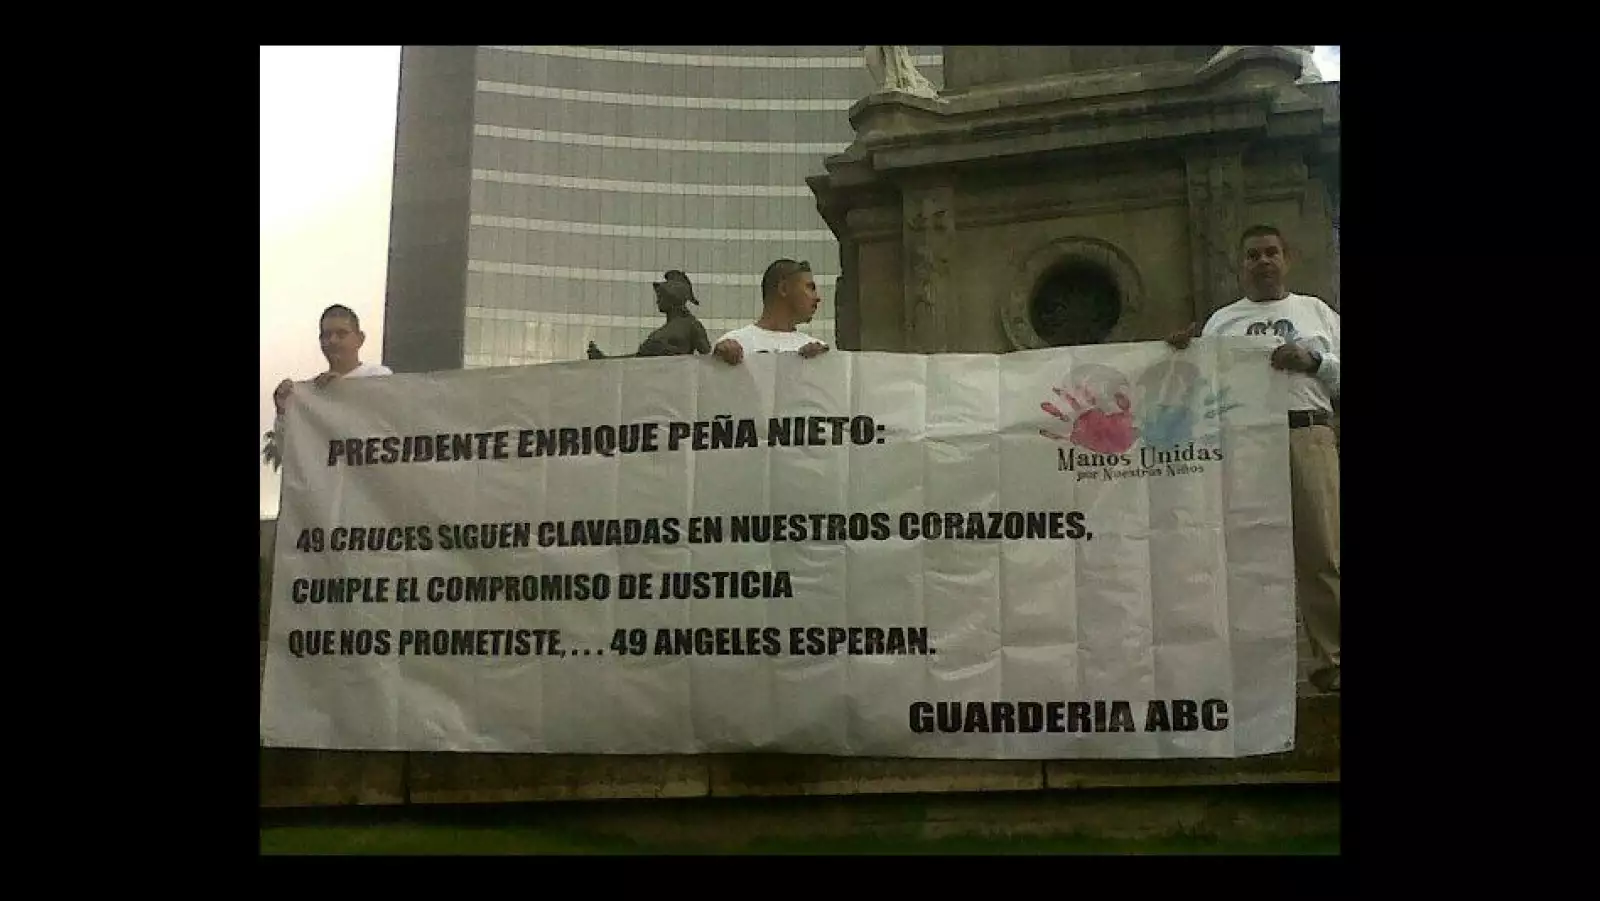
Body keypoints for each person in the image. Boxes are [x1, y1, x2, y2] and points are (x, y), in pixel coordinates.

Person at [1166, 224, 1340, 693]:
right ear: (1240, 266)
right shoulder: (1222, 323)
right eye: (1252, 255)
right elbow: (1196, 386)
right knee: (1246, 554)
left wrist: (1314, 362)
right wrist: (1179, 353)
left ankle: (1333, 660)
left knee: (1322, 550)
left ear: (1288, 258)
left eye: (1271, 253)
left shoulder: (1318, 313)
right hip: (1243, 445)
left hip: (1307, 434)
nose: (1263, 261)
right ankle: (1254, 668)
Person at [263, 304, 393, 470]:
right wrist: (282, 412)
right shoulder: (312, 394)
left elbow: (390, 428)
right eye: (326, 335)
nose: (332, 340)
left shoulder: (380, 376)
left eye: (341, 334)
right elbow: (289, 451)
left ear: (360, 339)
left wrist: (347, 389)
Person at [713, 259, 830, 364]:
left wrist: (818, 367)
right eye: (810, 287)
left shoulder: (818, 351)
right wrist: (717, 363)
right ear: (784, 288)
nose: (818, 298)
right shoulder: (732, 344)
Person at [590, 270, 712, 359]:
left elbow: (708, 360)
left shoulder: (692, 325)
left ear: (673, 298)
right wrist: (606, 361)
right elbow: (636, 360)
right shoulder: (662, 331)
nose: (657, 301)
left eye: (661, 297)